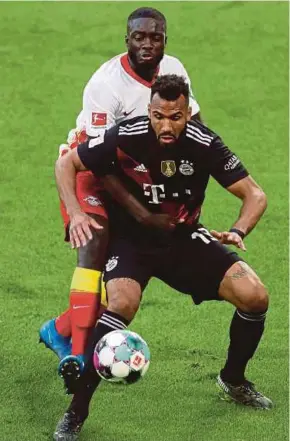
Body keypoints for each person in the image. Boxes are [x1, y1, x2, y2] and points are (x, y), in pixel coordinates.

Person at [52, 74, 272, 441]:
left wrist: (238, 231)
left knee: (255, 295)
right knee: (121, 303)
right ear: (149, 111)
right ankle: (75, 413)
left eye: (175, 117)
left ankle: (233, 380)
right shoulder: (128, 133)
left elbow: (255, 195)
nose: (165, 125)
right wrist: (76, 213)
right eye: (158, 115)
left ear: (188, 113)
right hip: (131, 243)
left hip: (182, 240)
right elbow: (67, 164)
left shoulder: (205, 144)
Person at [39, 7, 202, 377]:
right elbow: (96, 161)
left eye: (155, 37)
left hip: (131, 175)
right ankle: (78, 355)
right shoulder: (105, 84)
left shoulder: (173, 69)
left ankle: (59, 329)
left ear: (165, 40)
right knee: (95, 244)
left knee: (123, 285)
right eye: (139, 37)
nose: (147, 44)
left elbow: (192, 126)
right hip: (89, 171)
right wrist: (141, 213)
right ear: (126, 39)